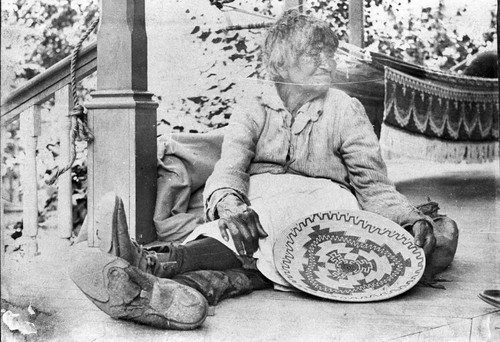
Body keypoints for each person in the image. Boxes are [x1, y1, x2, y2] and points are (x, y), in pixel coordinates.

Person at [71, 9, 456, 330]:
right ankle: (171, 283)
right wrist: (228, 203)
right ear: (281, 62)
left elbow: (373, 185)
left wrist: (405, 219)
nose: (329, 62)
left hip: (327, 204)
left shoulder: (344, 108)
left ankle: (153, 265)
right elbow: (230, 167)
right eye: (314, 53)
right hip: (263, 196)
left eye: (330, 53)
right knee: (248, 215)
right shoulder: (253, 104)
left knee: (288, 211)